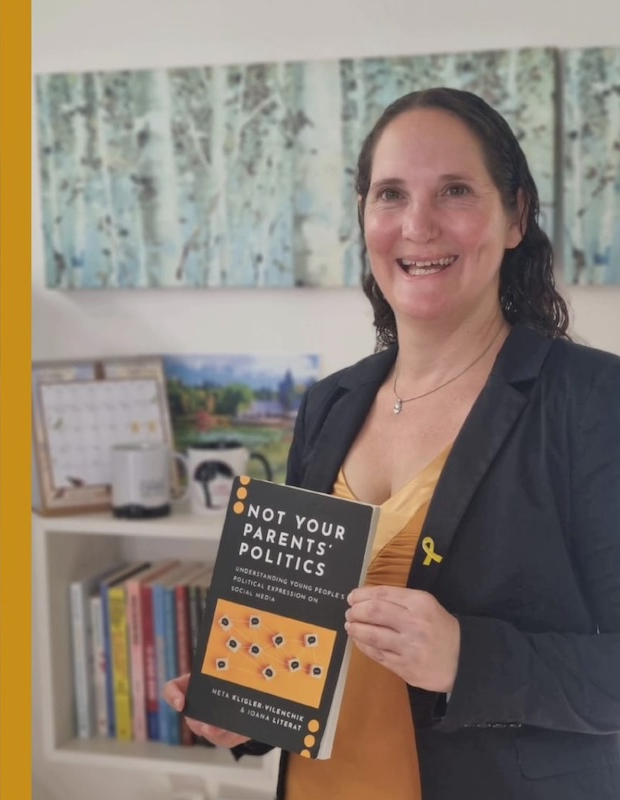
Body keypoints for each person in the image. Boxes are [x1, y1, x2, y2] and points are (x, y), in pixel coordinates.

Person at [165, 86, 620, 799]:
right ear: (364, 217)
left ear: (515, 217)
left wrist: (466, 659)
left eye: (456, 191)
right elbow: (308, 643)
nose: (418, 224)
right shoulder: (329, 404)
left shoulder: (593, 401)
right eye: (390, 195)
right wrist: (248, 707)